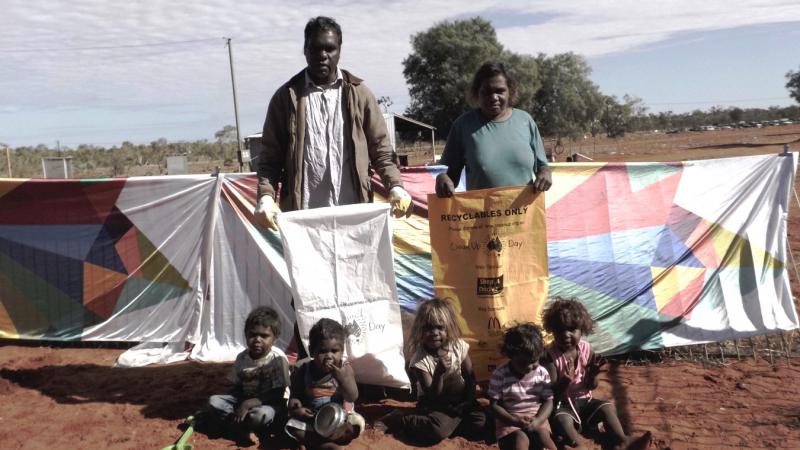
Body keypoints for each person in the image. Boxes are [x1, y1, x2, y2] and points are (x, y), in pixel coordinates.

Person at [254, 16, 413, 230]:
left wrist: (395, 186)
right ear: (305, 49)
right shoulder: (286, 98)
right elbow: (269, 160)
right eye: (315, 48)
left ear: (339, 50)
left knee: (357, 265)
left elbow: (381, 150)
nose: (322, 56)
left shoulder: (360, 94)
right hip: (303, 220)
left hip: (355, 216)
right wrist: (266, 196)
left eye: (330, 49)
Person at [542, 298, 651, 450]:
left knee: (607, 407)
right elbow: (551, 396)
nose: (566, 334)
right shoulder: (549, 357)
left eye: (572, 329)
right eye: (560, 330)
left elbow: (591, 387)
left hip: (584, 401)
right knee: (562, 420)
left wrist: (592, 376)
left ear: (582, 329)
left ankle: (622, 440)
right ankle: (578, 446)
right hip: (563, 405)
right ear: (552, 330)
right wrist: (565, 381)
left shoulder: (586, 349)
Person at [378, 298, 487, 445]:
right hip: (434, 404)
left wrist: (468, 401)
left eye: (440, 328)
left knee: (482, 422)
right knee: (437, 430)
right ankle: (401, 419)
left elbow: (470, 377)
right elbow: (432, 396)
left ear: (448, 329)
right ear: (419, 331)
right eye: (428, 328)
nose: (434, 333)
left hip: (460, 400)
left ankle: (448, 425)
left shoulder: (458, 347)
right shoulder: (419, 360)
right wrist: (439, 373)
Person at [435, 62, 552, 197]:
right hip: (481, 216)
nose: (493, 97)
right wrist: (442, 179)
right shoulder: (463, 126)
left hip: (524, 215)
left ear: (510, 91)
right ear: (477, 93)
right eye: (486, 92)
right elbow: (450, 176)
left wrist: (545, 174)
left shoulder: (526, 121)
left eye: (500, 91)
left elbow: (542, 166)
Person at [205, 306, 291, 446]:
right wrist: (236, 404)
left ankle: (243, 426)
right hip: (245, 399)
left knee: (261, 415)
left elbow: (279, 393)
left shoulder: (277, 359)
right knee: (214, 402)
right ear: (246, 334)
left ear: (275, 337)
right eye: (252, 335)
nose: (257, 340)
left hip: (269, 404)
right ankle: (240, 424)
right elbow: (237, 385)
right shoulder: (242, 358)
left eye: (264, 336)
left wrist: (247, 404)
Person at [286, 318, 364, 449]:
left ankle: (316, 442)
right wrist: (297, 408)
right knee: (293, 426)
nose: (329, 356)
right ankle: (324, 445)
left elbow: (352, 396)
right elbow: (295, 396)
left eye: (334, 351)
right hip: (314, 418)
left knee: (357, 424)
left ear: (342, 351)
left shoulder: (345, 370)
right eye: (322, 351)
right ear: (311, 351)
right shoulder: (304, 370)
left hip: (341, 419)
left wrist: (342, 379)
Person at [488, 323, 557, 450]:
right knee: (520, 439)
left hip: (537, 418)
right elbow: (494, 405)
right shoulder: (501, 374)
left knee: (544, 439)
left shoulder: (542, 373)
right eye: (523, 362)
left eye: (534, 361)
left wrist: (538, 420)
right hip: (509, 421)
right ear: (511, 355)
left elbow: (548, 401)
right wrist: (513, 420)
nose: (529, 367)